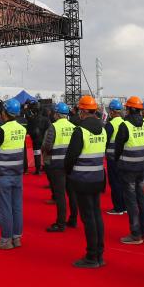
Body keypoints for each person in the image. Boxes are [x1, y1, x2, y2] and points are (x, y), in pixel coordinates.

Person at [64, 95, 108, 267]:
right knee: (96, 215)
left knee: (88, 218)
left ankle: (91, 256)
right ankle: (99, 254)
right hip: (98, 177)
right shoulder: (103, 129)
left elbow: (70, 157)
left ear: (82, 111)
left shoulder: (80, 130)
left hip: (82, 179)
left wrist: (68, 172)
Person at [0, 98, 27, 250]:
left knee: (4, 208)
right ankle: (17, 238)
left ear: (4, 113)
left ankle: (6, 240)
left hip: (3, 174)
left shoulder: (1, 130)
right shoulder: (22, 129)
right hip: (17, 173)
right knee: (17, 206)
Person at [114, 96, 144, 245]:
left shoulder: (125, 125)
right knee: (141, 199)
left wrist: (117, 161)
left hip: (128, 168)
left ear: (129, 109)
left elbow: (118, 147)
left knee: (131, 202)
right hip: (141, 167)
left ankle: (135, 234)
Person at [43, 102, 78, 232]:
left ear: (57, 114)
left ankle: (60, 223)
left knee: (60, 195)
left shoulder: (54, 127)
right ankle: (73, 219)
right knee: (72, 193)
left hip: (57, 164)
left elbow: (47, 145)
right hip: (71, 164)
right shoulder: (73, 127)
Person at [104, 99, 127, 215]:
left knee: (115, 183)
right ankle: (124, 206)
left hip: (113, 158)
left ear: (112, 112)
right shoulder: (124, 123)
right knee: (123, 182)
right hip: (123, 158)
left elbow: (105, 141)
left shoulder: (110, 124)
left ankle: (118, 207)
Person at [28, 103, 49, 175]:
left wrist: (33, 137)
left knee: (37, 154)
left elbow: (29, 130)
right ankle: (46, 168)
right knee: (45, 154)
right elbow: (49, 130)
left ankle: (38, 169)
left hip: (36, 140)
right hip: (44, 139)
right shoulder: (46, 119)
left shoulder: (32, 119)